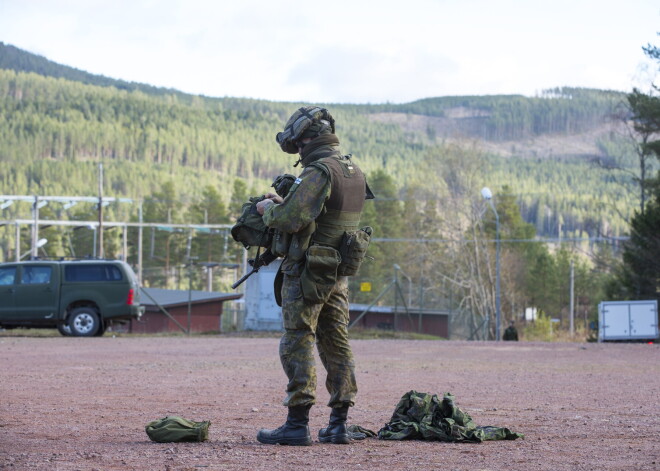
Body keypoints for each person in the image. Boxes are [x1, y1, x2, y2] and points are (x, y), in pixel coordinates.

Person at [254, 106, 370, 446]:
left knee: (298, 339)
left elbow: (290, 220)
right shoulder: (352, 169)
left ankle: (296, 423)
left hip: (307, 272)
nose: (298, 151)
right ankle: (338, 423)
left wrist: (268, 208)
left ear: (307, 139)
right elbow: (326, 215)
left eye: (299, 144)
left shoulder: (318, 172)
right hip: (336, 274)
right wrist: (289, 202)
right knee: (336, 342)